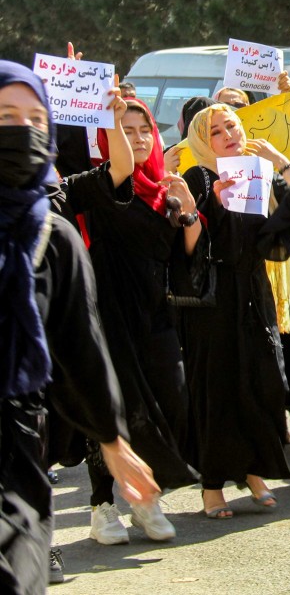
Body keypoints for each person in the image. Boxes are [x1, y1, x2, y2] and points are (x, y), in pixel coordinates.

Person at [0, 60, 159, 592]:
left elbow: (80, 349)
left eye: (36, 118)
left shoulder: (55, 229)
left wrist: (113, 441)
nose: (23, 131)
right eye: (6, 115)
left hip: (16, 444)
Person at [175, 104, 290, 518]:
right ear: (203, 141)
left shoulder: (258, 174)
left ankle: (253, 470)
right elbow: (189, 249)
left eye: (233, 127)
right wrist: (214, 207)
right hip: (213, 300)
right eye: (217, 131)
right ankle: (212, 484)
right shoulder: (199, 178)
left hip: (254, 294)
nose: (228, 135)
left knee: (263, 382)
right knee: (217, 388)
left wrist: (280, 163)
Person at [61, 96, 198, 544]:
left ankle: (143, 496)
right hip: (106, 313)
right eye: (127, 129)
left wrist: (188, 210)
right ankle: (104, 506)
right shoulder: (108, 185)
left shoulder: (166, 189)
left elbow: (187, 259)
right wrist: (90, 107)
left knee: (172, 402)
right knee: (112, 408)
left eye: (145, 130)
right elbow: (98, 159)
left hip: (155, 315)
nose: (139, 138)